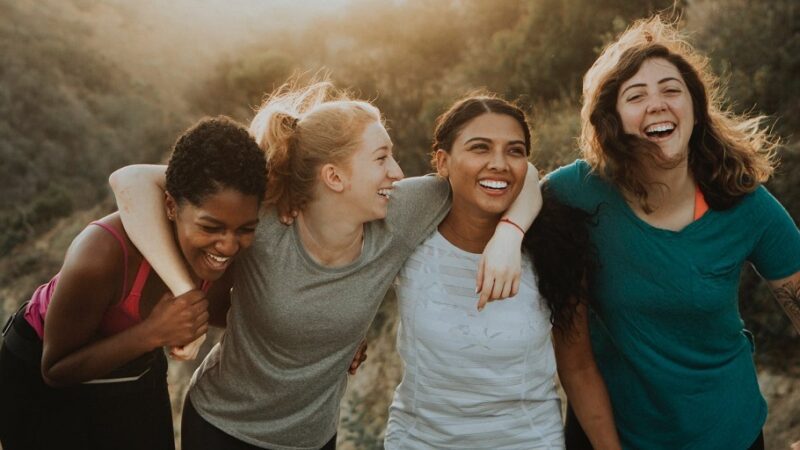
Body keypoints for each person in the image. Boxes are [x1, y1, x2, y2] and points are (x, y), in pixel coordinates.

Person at [107, 80, 541, 450]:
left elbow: (519, 174)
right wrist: (185, 292)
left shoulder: (403, 212)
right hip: (222, 426)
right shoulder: (267, 219)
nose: (397, 171)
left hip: (313, 439)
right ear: (334, 177)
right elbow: (130, 181)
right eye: (381, 158)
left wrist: (509, 234)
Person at [544, 17, 800, 449]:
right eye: (636, 95)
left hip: (728, 434)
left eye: (671, 90)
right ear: (612, 118)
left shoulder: (744, 203)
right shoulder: (579, 191)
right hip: (611, 435)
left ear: (695, 109)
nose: (657, 104)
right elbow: (512, 192)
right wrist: (507, 233)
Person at [0, 116, 266, 450]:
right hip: (41, 369)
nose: (228, 245)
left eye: (245, 229)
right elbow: (55, 369)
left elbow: (234, 313)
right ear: (171, 206)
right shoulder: (100, 255)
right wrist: (154, 333)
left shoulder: (223, 254)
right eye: (211, 227)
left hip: (133, 363)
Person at [384, 94, 621, 449]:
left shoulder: (555, 248)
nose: (499, 163)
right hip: (419, 441)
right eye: (480, 148)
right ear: (442, 162)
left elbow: (578, 369)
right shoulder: (410, 232)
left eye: (515, 151)